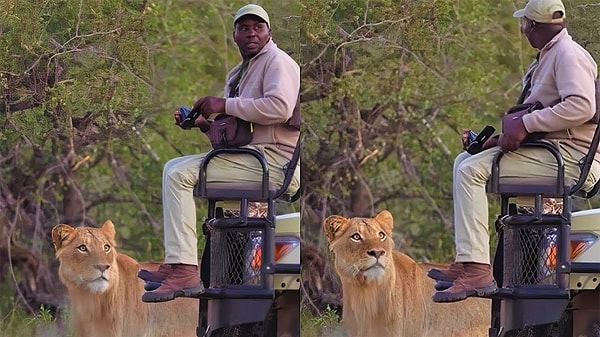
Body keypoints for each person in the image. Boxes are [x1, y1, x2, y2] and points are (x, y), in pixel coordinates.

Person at [429, 0, 599, 303]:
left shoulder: (566, 54)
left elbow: (582, 106)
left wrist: (527, 123)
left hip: (572, 158)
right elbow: (543, 114)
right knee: (464, 160)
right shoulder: (550, 55)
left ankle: (478, 271)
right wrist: (497, 139)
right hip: (554, 150)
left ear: (532, 25)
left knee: (471, 171)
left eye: (524, 24)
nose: (523, 30)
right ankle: (468, 260)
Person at [139, 4, 301, 303]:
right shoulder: (239, 72)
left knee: (178, 174)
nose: (251, 32)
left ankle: (186, 270)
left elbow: (280, 107)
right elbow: (235, 134)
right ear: (234, 35)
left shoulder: (278, 62)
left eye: (258, 27)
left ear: (269, 32)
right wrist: (203, 124)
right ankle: (178, 263)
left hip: (275, 164)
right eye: (244, 27)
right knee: (173, 167)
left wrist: (223, 104)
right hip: (251, 159)